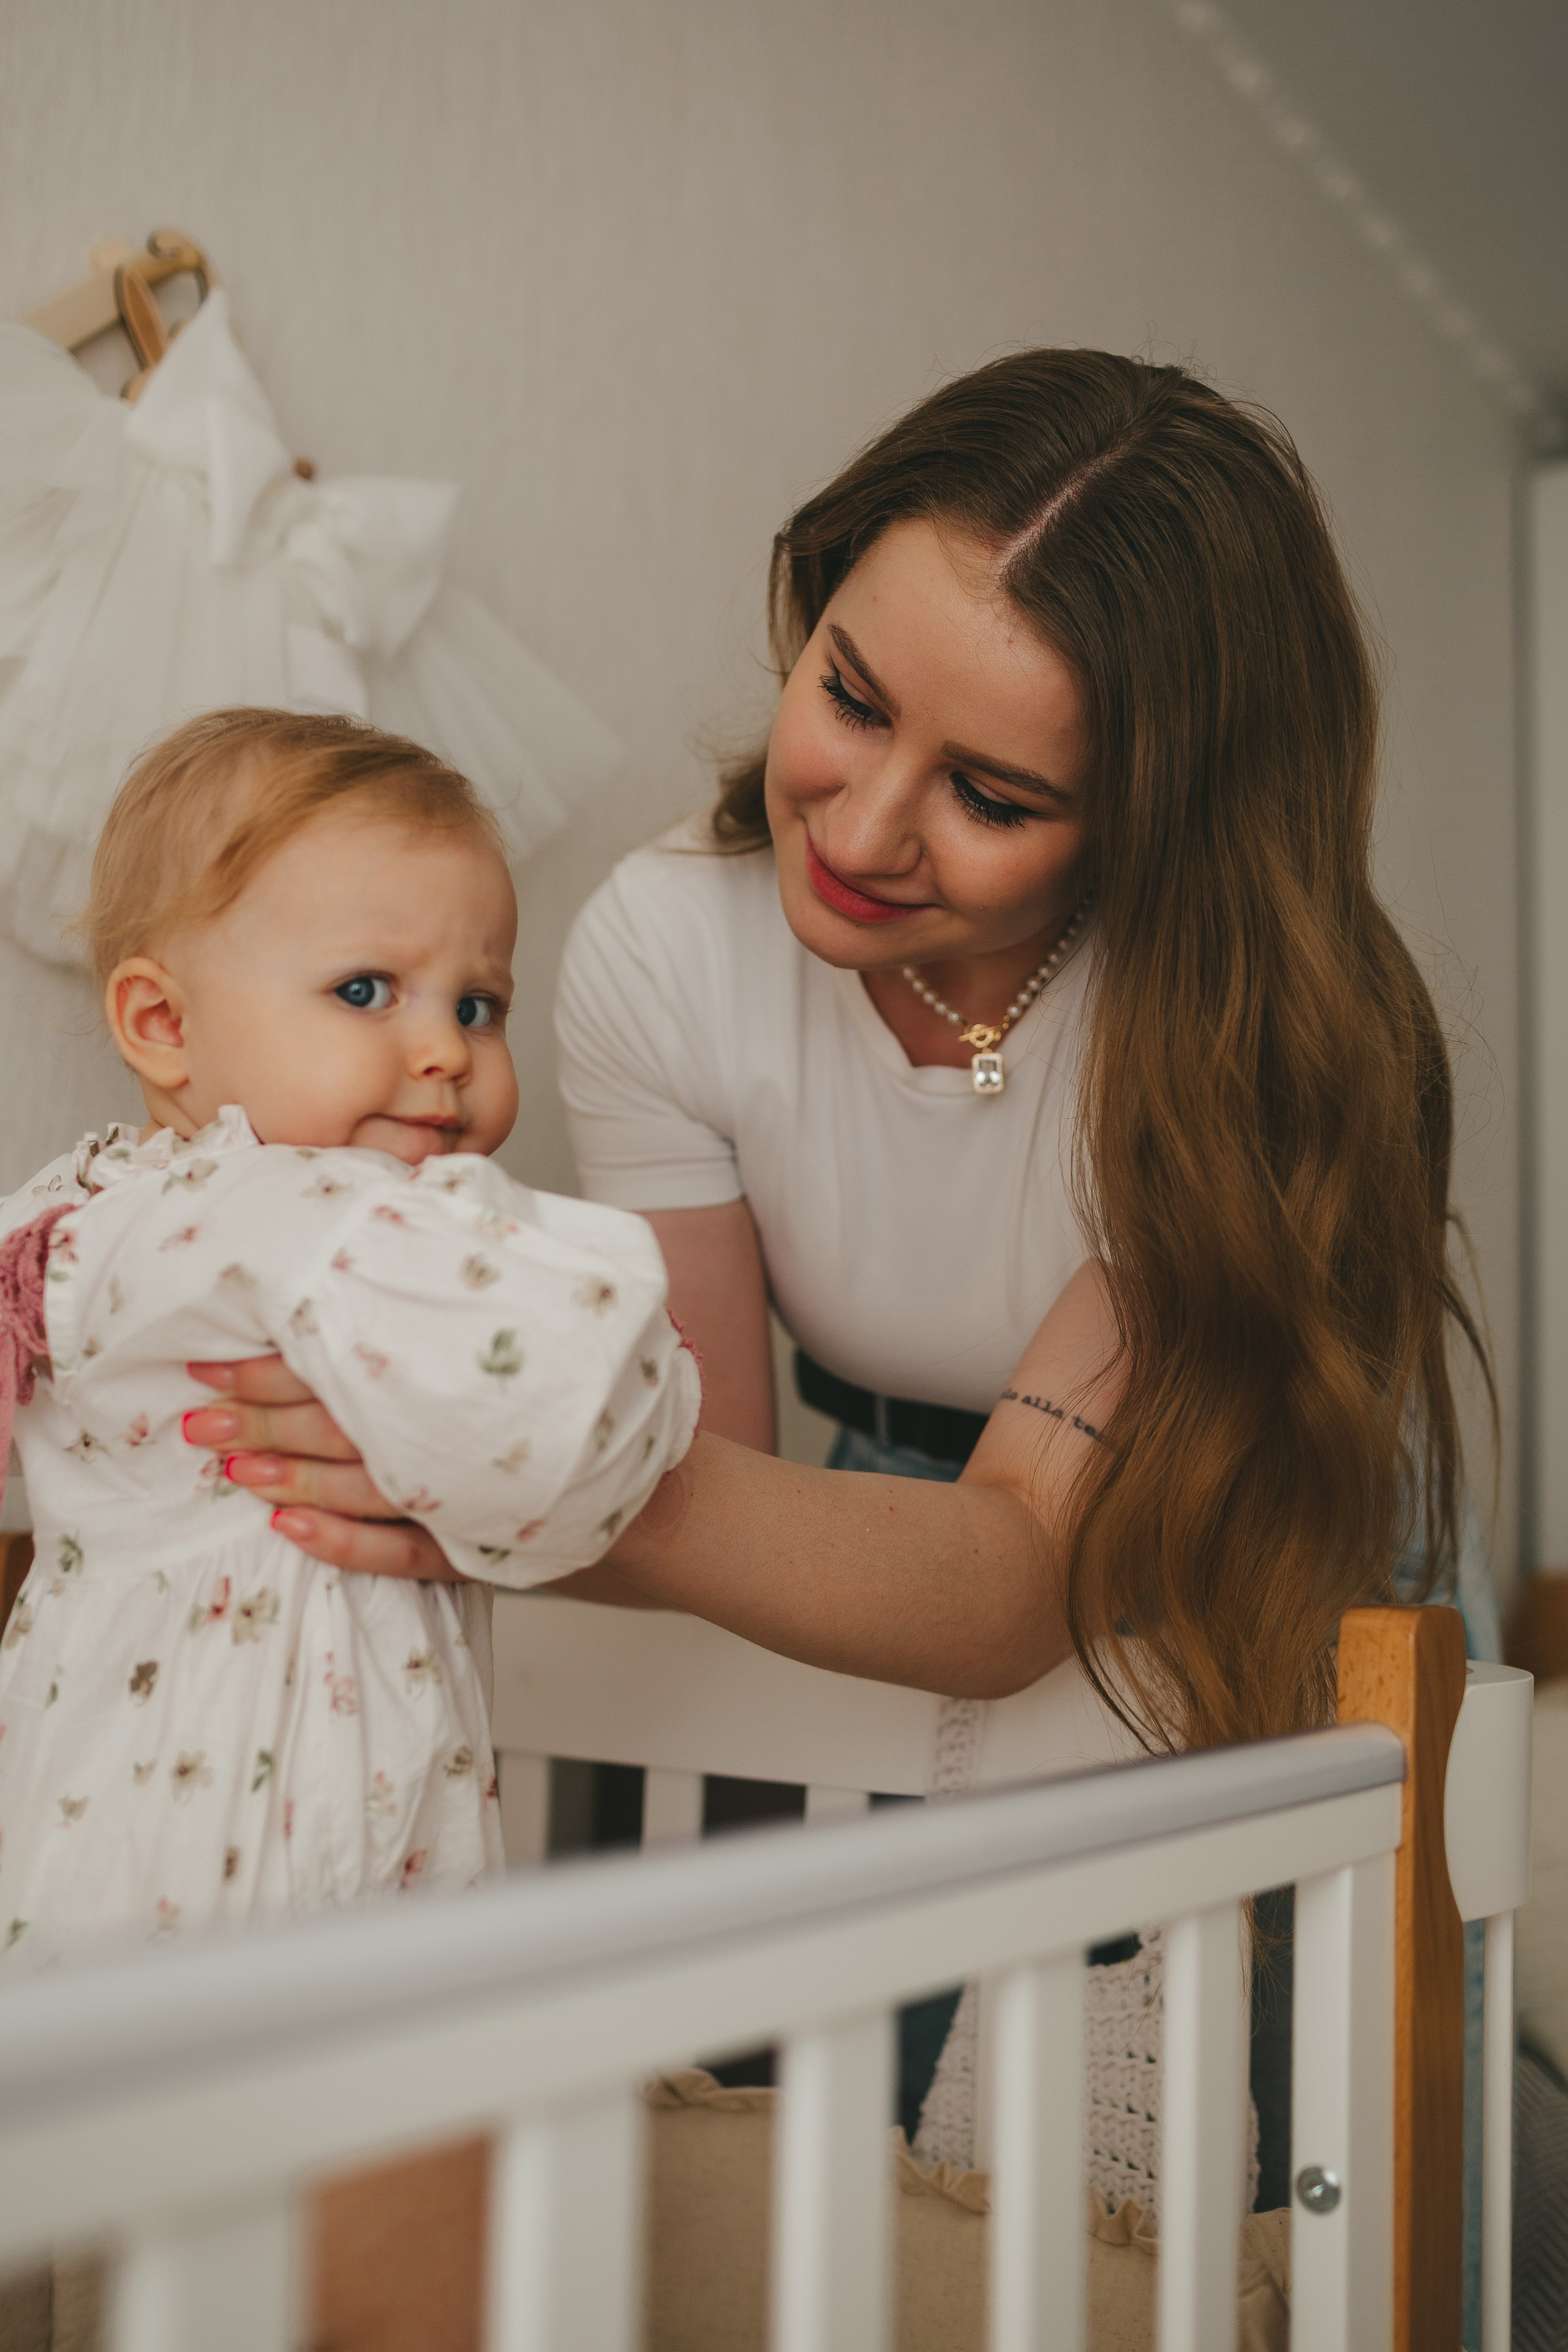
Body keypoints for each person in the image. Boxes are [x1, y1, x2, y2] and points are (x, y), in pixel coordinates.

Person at [183, 352, 1498, 2206]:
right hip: (871, 1488)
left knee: (1275, 2169)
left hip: (1252, 1546)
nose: (865, 829)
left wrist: (519, 1487)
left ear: (1154, 819)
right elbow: (699, 1449)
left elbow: (1022, 1572)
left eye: (993, 793)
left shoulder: (1249, 1043)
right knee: (841, 2150)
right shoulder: (666, 946)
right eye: (851, 700)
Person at [0, 709, 698, 1966]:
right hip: (281, 1836)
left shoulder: (83, 1217)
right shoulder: (308, 1215)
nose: (443, 1051)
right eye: (365, 991)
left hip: (92, 1819)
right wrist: (669, 1394)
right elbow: (566, 1389)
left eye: (478, 1004)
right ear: (162, 1025)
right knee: (395, 2115)